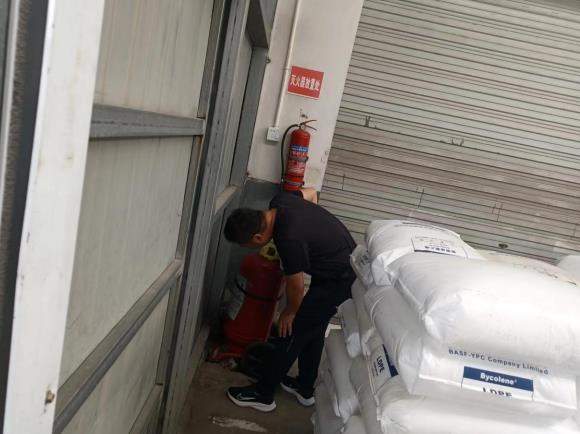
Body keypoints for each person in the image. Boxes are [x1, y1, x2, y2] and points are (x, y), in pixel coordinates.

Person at [223, 188, 356, 412]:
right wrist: (312, 229)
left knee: (293, 331)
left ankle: (263, 394)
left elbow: (296, 285)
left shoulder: (288, 238)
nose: (249, 249)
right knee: (313, 329)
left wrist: (290, 311)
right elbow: (311, 193)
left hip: (339, 279)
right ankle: (305, 388)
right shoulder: (280, 202)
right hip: (336, 266)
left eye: (247, 246)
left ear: (257, 238)